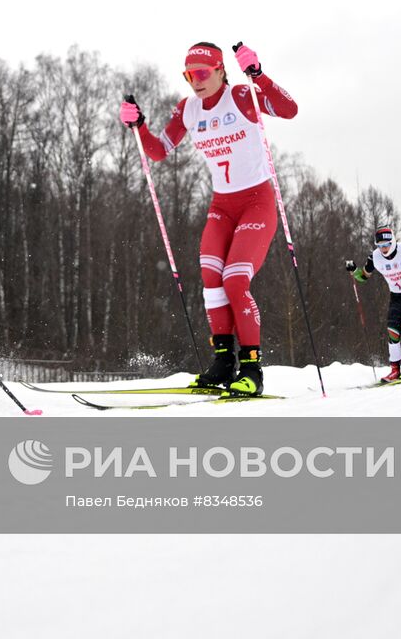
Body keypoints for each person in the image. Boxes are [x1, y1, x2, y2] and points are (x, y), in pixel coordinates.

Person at [118, 42, 297, 395]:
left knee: (235, 281)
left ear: (220, 70)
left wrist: (259, 74)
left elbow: (289, 110)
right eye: (189, 75)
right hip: (222, 206)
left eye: (201, 73)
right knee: (211, 279)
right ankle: (222, 363)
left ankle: (251, 370)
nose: (195, 81)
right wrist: (139, 126)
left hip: (256, 203)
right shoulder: (188, 108)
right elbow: (158, 151)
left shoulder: (243, 96)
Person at [346, 227, 401, 382]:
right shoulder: (375, 257)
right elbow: (364, 277)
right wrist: (354, 271)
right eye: (379, 246)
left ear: (392, 241)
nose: (383, 249)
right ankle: (394, 369)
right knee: (393, 331)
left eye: (386, 244)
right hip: (397, 297)